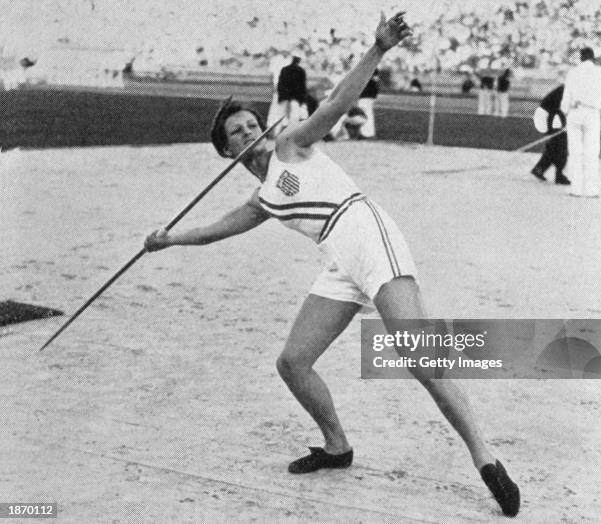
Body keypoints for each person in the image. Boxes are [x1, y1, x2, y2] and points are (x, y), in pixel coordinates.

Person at [144, 12, 520, 517]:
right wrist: (169, 240)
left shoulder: (289, 145)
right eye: (238, 132)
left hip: (366, 232)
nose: (251, 131)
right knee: (292, 362)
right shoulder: (262, 198)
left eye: (253, 123)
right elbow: (218, 229)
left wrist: (377, 50)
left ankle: (486, 458)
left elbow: (338, 104)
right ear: (227, 151)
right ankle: (337, 446)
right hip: (340, 258)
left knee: (420, 358)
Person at [560, 47, 601, 197]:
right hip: (592, 112)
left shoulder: (573, 72)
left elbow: (566, 96)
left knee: (575, 152)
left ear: (581, 58)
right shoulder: (600, 72)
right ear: (593, 58)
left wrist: (566, 110)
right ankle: (591, 189)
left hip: (575, 111)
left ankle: (576, 188)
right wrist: (595, 101)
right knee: (592, 152)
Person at [531, 85, 571, 185]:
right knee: (561, 146)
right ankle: (559, 175)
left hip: (549, 114)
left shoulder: (569, 87)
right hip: (551, 115)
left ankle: (540, 169)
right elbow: (564, 108)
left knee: (555, 147)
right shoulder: (571, 89)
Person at [277, 53, 308, 130]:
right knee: (294, 116)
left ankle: (283, 131)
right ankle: (291, 130)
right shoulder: (301, 71)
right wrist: (302, 99)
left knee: (284, 116)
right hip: (296, 97)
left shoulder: (284, 69)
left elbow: (280, 84)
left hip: (285, 96)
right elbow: (302, 86)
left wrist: (281, 96)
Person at [357, 68, 380, 138]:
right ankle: (366, 132)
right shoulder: (372, 68)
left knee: (365, 114)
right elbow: (376, 82)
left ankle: (366, 133)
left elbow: (375, 82)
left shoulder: (369, 68)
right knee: (367, 113)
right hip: (367, 94)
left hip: (366, 94)